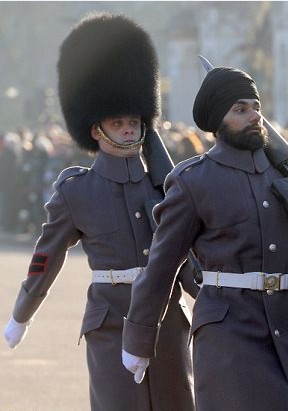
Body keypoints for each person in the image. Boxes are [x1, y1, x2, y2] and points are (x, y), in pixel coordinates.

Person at [120, 66, 288, 411]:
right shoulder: (195, 180)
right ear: (217, 121)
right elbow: (162, 266)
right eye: (240, 109)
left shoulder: (287, 176)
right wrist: (138, 335)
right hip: (230, 334)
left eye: (256, 107)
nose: (254, 116)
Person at [2, 13, 196, 411]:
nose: (128, 129)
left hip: (165, 313)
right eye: (117, 122)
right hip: (110, 320)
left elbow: (192, 251)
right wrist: (22, 313)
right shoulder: (77, 190)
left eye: (134, 122)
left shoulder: (165, 183)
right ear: (96, 130)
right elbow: (45, 258)